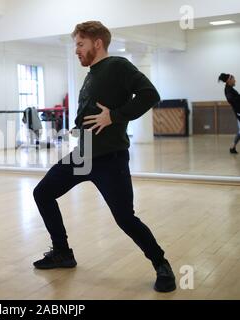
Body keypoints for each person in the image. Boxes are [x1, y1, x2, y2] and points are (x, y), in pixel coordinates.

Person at [32, 21, 176, 293]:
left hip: (110, 159)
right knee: (42, 193)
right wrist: (79, 123)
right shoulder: (91, 74)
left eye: (80, 44)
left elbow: (150, 94)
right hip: (84, 154)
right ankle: (62, 252)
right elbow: (90, 108)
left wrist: (115, 116)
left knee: (125, 218)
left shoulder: (118, 66)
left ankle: (161, 264)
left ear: (97, 43)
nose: (77, 50)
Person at [218, 73, 240, 154]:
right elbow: (232, 99)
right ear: (229, 80)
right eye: (233, 79)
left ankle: (232, 147)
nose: (235, 81)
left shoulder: (230, 89)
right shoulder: (228, 90)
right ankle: (232, 147)